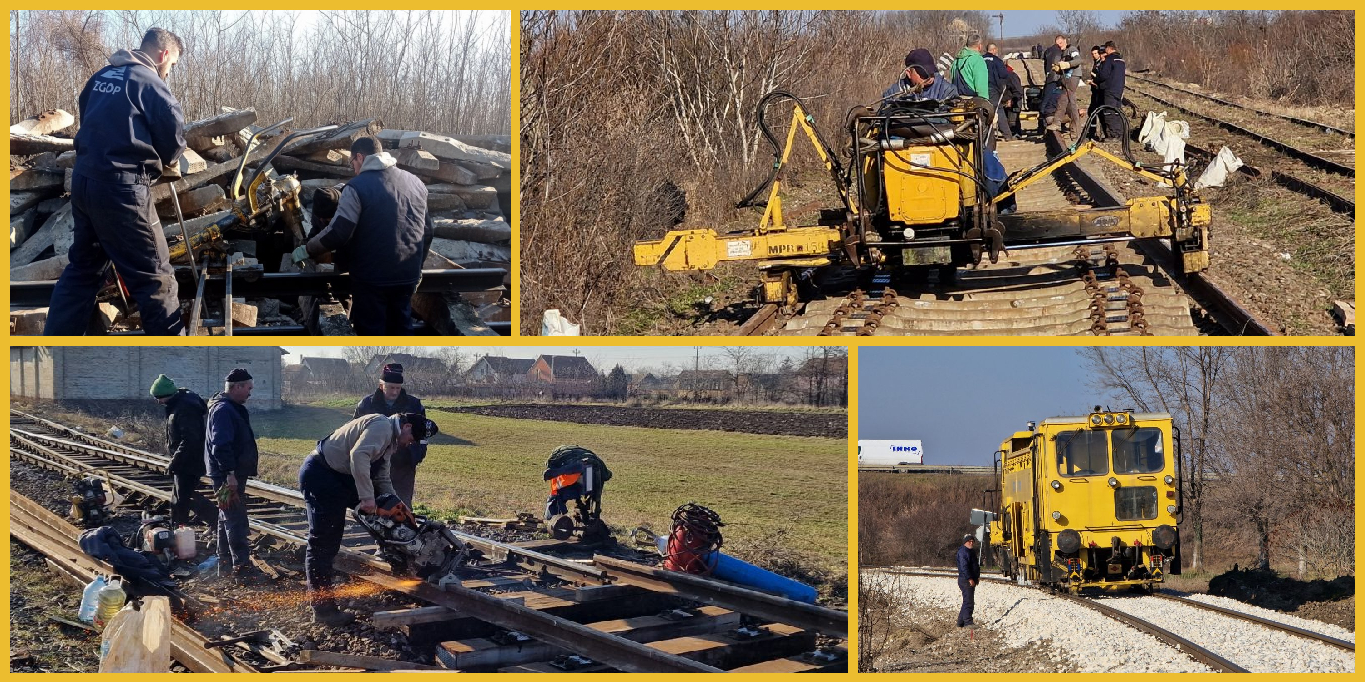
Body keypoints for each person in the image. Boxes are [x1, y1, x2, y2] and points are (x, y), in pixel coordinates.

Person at [46, 28, 187, 336]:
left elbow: (93, 123)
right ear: (164, 55)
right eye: (172, 65)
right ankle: (171, 354)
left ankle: (54, 347)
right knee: (156, 279)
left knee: (83, 270)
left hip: (84, 183)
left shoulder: (100, 77)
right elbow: (174, 141)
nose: (169, 71)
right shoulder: (150, 84)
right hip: (122, 191)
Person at [298, 412, 438, 625]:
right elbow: (359, 456)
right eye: (413, 438)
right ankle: (322, 609)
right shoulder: (381, 426)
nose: (411, 443)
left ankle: (398, 560)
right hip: (322, 476)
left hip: (342, 478)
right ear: (407, 426)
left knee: (388, 518)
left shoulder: (389, 439)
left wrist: (399, 506)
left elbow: (381, 476)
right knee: (323, 543)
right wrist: (366, 497)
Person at [292, 136, 434, 335]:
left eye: (352, 163)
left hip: (371, 281)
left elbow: (339, 233)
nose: (353, 169)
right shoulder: (416, 183)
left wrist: (307, 249)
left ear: (359, 157)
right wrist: (417, 269)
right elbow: (428, 232)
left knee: (371, 334)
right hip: (406, 277)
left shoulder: (356, 187)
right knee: (401, 329)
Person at [205, 368, 264, 583]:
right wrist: (229, 474)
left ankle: (225, 565)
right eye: (248, 388)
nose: (250, 393)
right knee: (235, 519)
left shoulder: (231, 408)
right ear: (237, 387)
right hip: (227, 475)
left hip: (230, 473)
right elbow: (220, 445)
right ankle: (242, 569)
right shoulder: (223, 410)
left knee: (225, 516)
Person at [353, 363, 428, 507]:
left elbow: (422, 435)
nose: (395, 392)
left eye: (398, 388)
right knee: (375, 505)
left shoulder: (414, 405)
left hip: (403, 465)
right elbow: (356, 432)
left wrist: (416, 456)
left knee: (402, 505)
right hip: (374, 463)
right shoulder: (366, 404)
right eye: (391, 388)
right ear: (382, 386)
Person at [150, 374, 214, 529]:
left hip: (189, 460)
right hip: (186, 459)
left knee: (183, 498)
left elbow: (190, 440)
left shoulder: (185, 408)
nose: (158, 402)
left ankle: (210, 521)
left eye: (159, 398)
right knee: (181, 496)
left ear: (168, 395)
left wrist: (174, 462)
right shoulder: (178, 404)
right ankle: (180, 526)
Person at [882, 49, 959, 102]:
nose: (929, 77)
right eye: (924, 74)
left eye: (931, 72)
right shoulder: (893, 93)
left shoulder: (947, 91)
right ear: (909, 73)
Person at [1095, 41, 1127, 141]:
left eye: (1105, 49)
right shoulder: (1121, 60)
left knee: (1109, 112)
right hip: (1119, 89)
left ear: (1109, 48)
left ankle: (1114, 135)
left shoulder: (1109, 60)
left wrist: (1097, 78)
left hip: (1110, 89)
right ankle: (1120, 133)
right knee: (1117, 111)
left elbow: (1103, 75)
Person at [981, 44, 1014, 142]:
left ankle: (984, 134)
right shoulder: (996, 61)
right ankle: (1007, 135)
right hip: (993, 88)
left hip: (980, 89)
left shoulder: (980, 60)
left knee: (983, 111)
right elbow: (1004, 74)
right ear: (994, 50)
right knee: (998, 110)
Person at [1041, 35, 1071, 131]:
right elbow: (1059, 65)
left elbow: (1045, 65)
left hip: (1049, 77)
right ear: (1061, 42)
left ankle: (1043, 120)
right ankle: (1050, 121)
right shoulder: (1059, 52)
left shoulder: (1048, 51)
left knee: (1047, 98)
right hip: (1056, 77)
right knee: (1058, 98)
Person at [949, 34, 990, 100]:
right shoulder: (977, 59)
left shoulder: (957, 60)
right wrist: (984, 101)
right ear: (979, 46)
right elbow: (981, 85)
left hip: (957, 99)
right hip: (972, 101)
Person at [957, 533, 980, 627]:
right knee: (969, 601)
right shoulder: (963, 552)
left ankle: (960, 622)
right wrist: (970, 578)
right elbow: (964, 567)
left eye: (972, 541)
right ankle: (968, 622)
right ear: (965, 542)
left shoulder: (970, 551)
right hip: (965, 580)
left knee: (967, 600)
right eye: (969, 541)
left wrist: (976, 577)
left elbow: (975, 566)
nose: (971, 543)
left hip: (969, 579)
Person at [1004, 65, 1025, 137]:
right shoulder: (1007, 76)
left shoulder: (1011, 76)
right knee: (1008, 119)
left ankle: (1016, 134)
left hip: (1015, 100)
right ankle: (1013, 133)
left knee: (1013, 119)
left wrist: (1011, 100)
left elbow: (1018, 91)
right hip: (1008, 100)